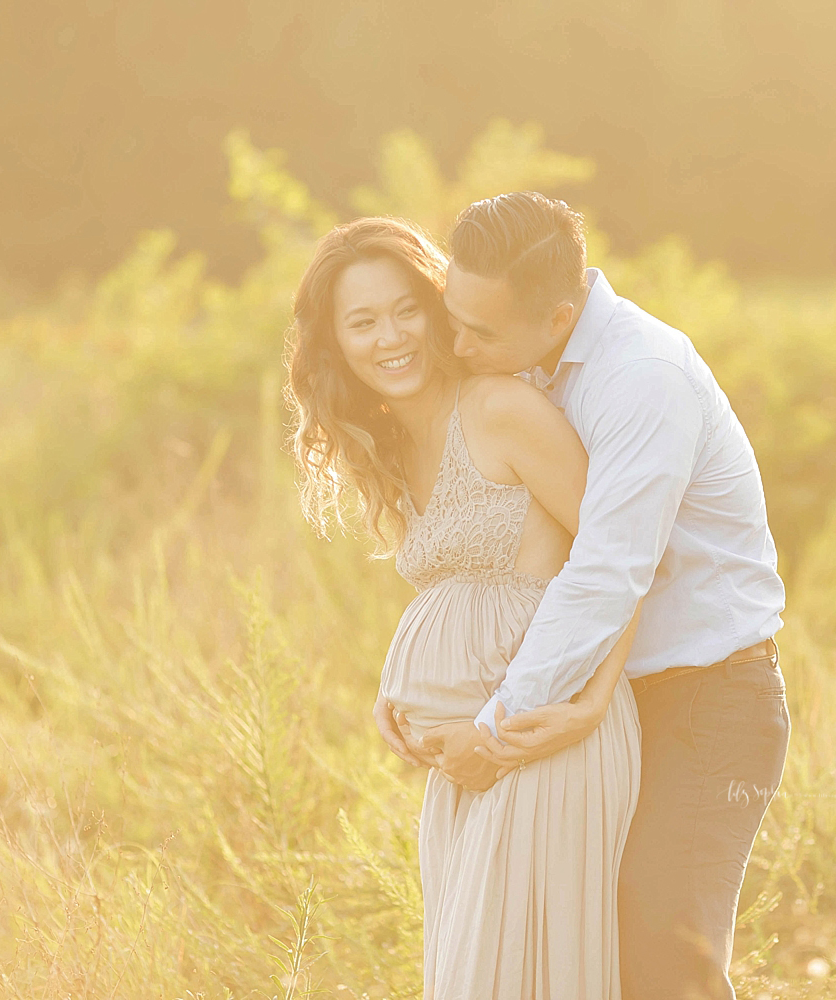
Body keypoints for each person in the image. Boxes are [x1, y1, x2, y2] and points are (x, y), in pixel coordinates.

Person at [375, 192, 790, 1000]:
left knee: (666, 950)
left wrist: (492, 733)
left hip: (707, 702)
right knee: (580, 953)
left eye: (479, 333)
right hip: (611, 702)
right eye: (451, 318)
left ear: (560, 315)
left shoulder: (642, 379)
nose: (456, 345)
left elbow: (606, 572)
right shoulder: (522, 360)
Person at [285, 216, 641, 1000]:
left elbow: (627, 560)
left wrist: (592, 702)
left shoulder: (499, 409)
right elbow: (458, 596)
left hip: (539, 741)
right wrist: (400, 687)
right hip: (461, 768)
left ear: (439, 306)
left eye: (406, 309)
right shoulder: (389, 443)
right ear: (334, 342)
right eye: (363, 322)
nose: (391, 337)